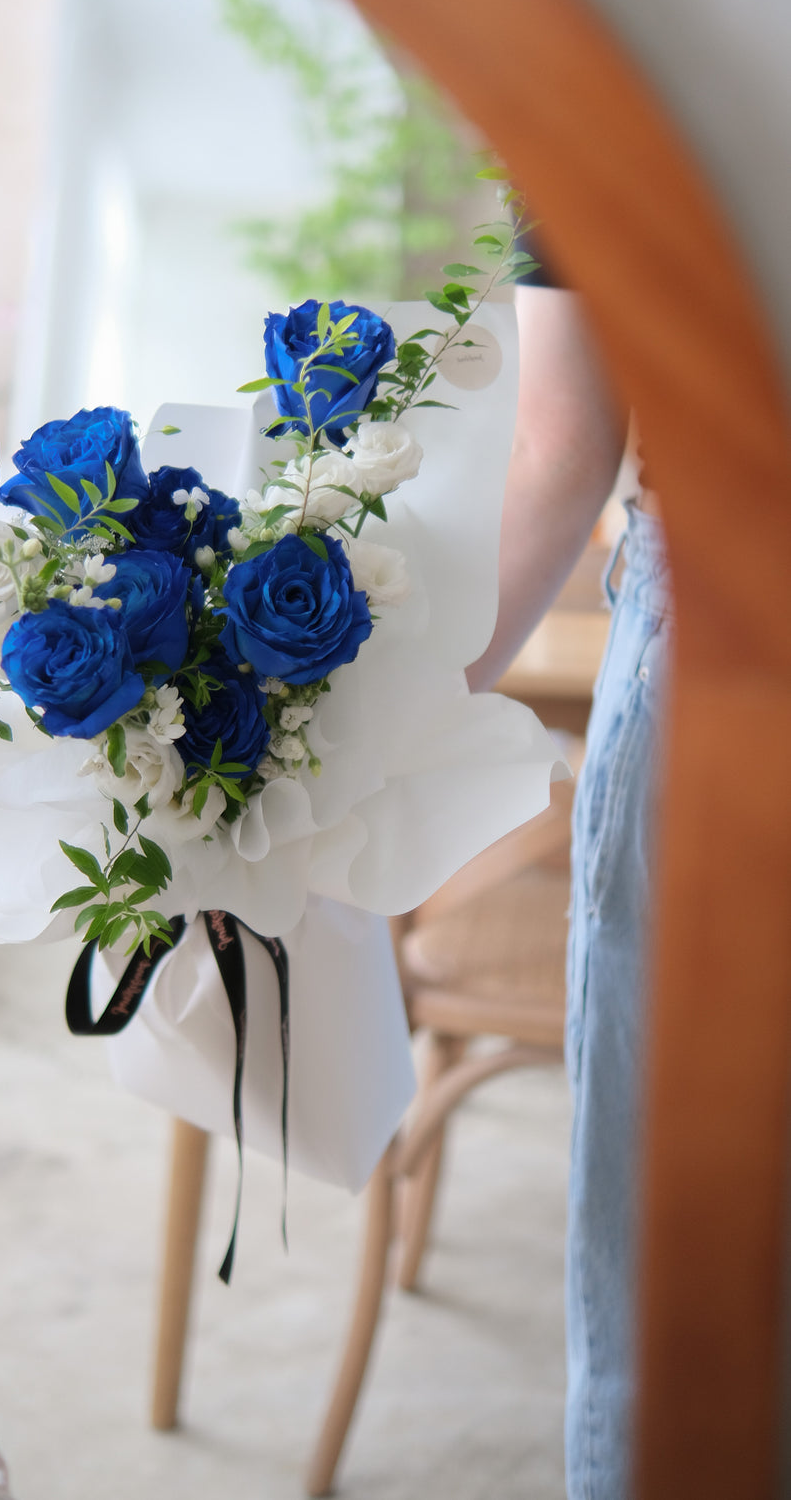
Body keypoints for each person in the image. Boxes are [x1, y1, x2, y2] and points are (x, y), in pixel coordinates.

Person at [466, 269, 672, 1500]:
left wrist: (332, 751)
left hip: (726, 627)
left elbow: (559, 441)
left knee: (671, 1264)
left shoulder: (626, 80)